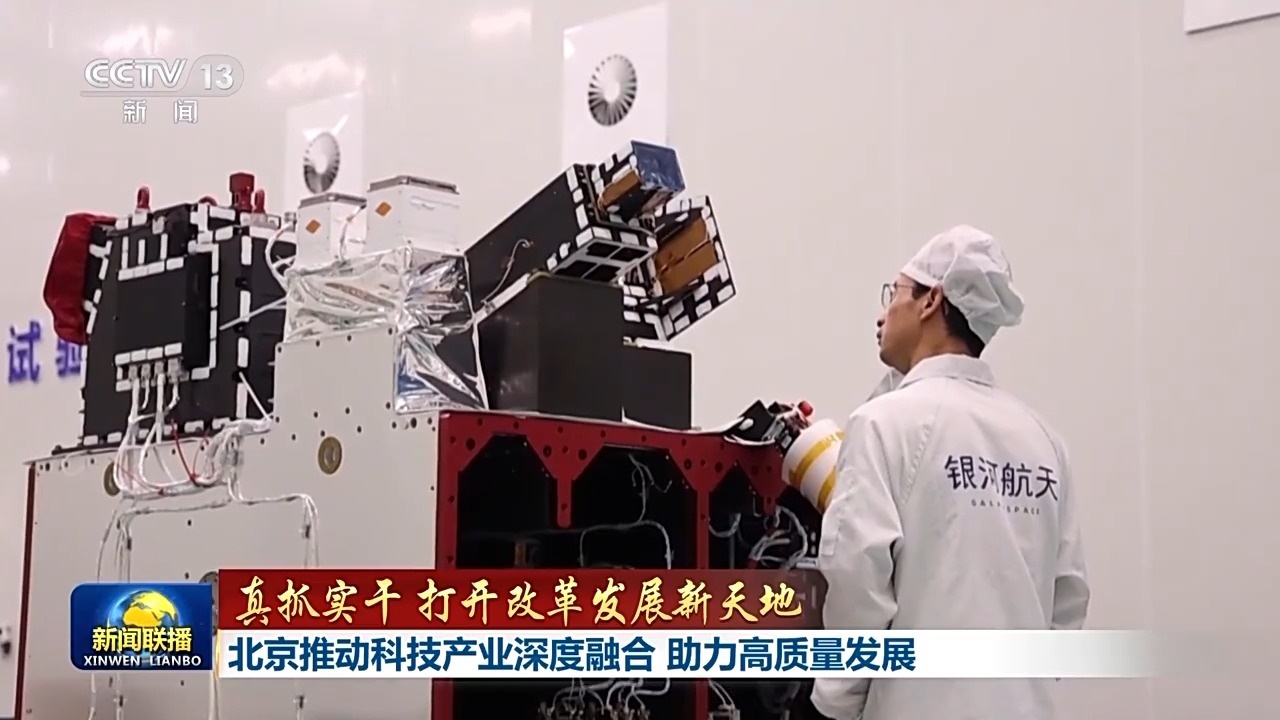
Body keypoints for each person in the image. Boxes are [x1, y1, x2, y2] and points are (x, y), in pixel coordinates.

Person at [807, 225, 1090, 720]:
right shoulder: (1044, 442)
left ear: (931, 300)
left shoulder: (883, 425)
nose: (882, 314)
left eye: (894, 293)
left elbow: (859, 587)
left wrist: (837, 704)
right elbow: (1067, 601)